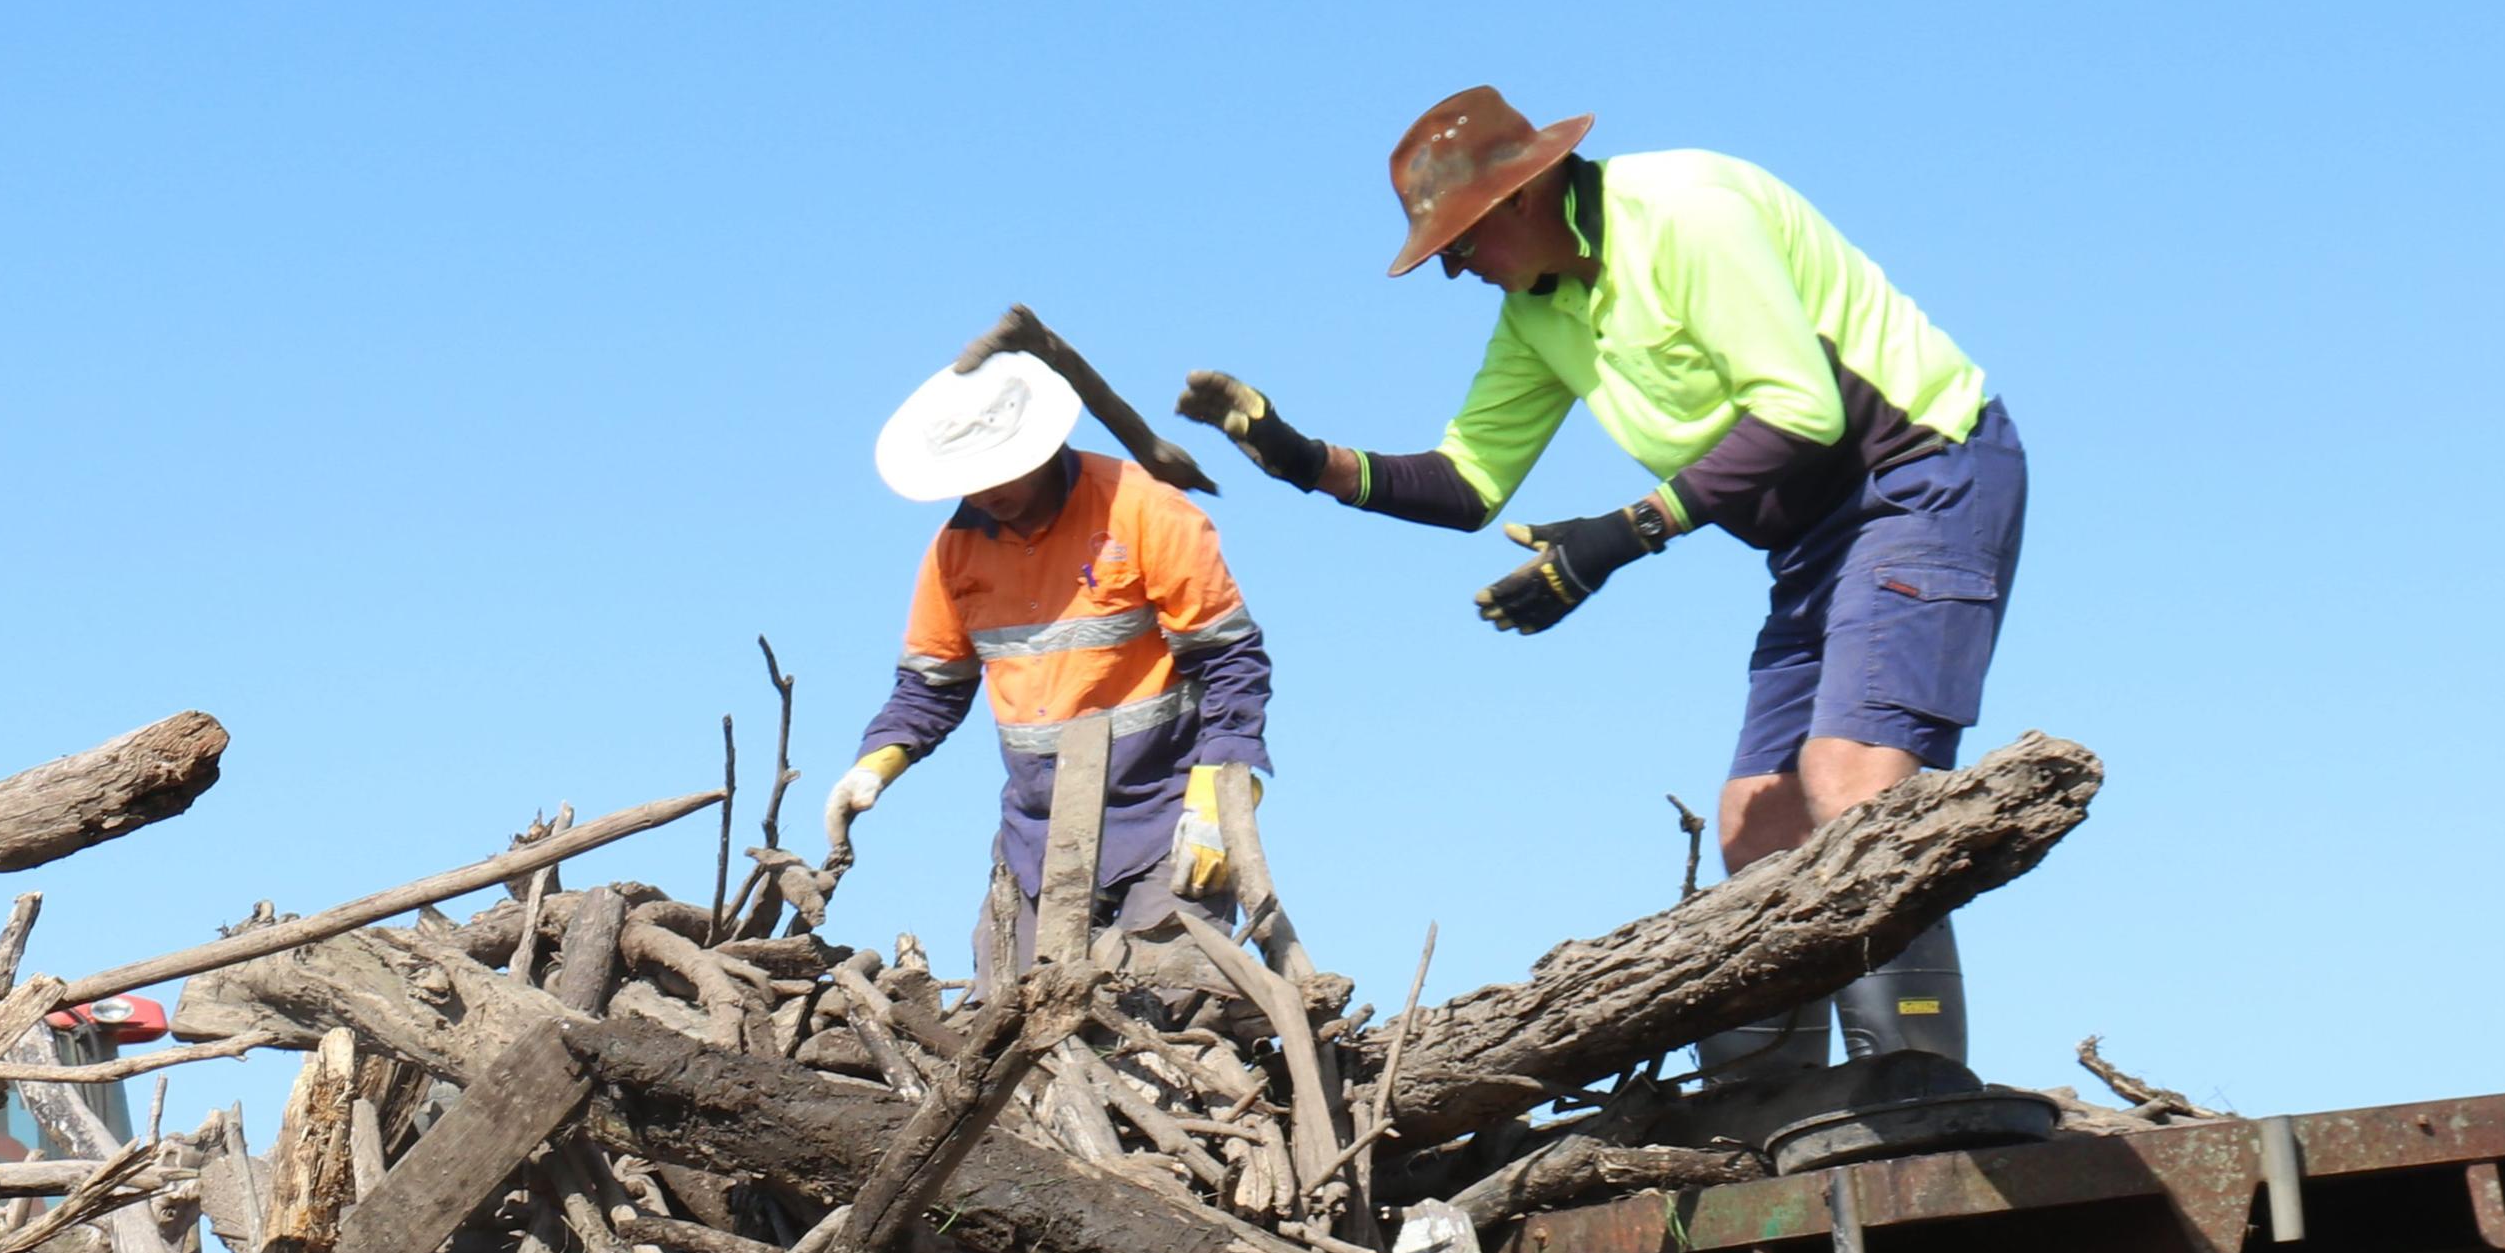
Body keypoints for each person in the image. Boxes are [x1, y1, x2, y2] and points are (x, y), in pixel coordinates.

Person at [1177, 87, 2023, 1092]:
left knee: (1851, 780)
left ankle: (1915, 1083)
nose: (1451, 266)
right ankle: (1764, 1106)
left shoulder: (1684, 212)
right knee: (1754, 819)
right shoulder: (1536, 308)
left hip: (1921, 475)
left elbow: (1800, 410)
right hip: (1809, 539)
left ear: (1519, 201)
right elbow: (1466, 484)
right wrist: (1300, 456)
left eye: (1454, 240)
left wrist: (1620, 536)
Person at [820, 349, 1274, 980]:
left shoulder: (1143, 509)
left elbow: (1231, 662)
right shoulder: (954, 552)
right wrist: (875, 763)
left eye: (1000, 472)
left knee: (1167, 1003)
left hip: (1165, 812)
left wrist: (1219, 794)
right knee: (1011, 1019)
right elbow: (931, 687)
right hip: (1038, 837)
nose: (988, 493)